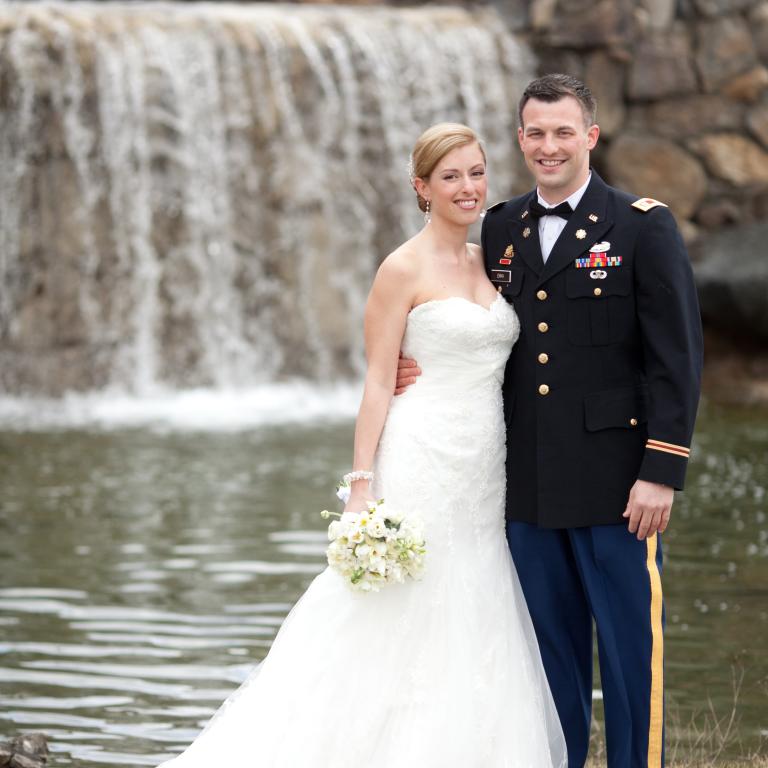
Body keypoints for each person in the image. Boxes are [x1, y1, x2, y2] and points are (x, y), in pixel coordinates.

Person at [156, 123, 567, 768]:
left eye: (477, 172)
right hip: (421, 453)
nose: (468, 187)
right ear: (421, 188)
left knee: (475, 598)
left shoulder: (495, 257)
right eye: (451, 176)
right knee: (397, 607)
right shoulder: (401, 267)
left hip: (485, 465)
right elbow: (379, 379)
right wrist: (361, 485)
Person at [397, 75, 703, 768]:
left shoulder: (642, 225)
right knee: (548, 665)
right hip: (527, 488)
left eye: (564, 131)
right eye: (535, 132)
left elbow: (676, 359)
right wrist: (408, 365)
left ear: (591, 136)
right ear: (520, 139)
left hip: (617, 485)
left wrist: (661, 470)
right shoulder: (502, 226)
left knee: (629, 661)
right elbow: (470, 322)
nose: (549, 145)